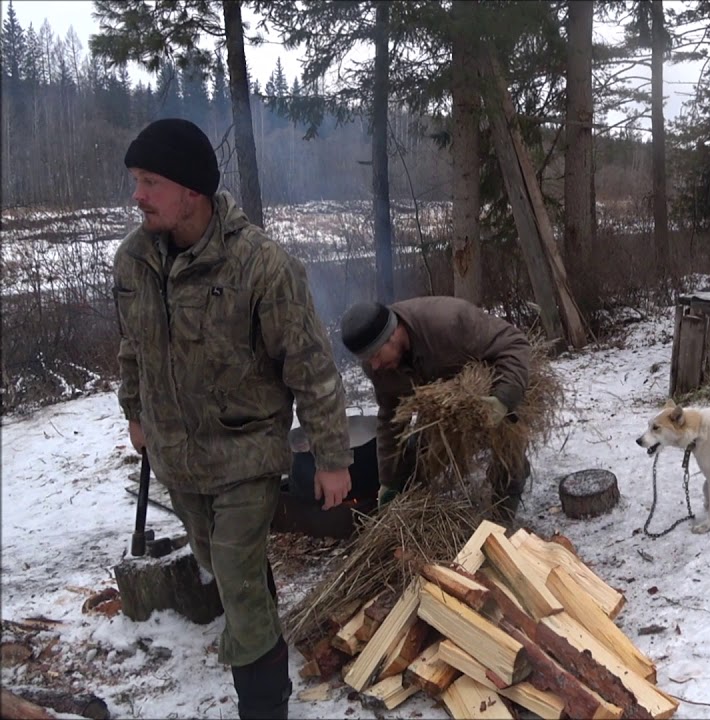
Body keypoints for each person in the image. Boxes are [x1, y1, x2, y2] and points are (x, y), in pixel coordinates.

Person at [112, 117, 353, 720]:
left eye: (149, 182)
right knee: (227, 571)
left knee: (239, 586)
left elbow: (309, 363)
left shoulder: (260, 265)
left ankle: (265, 708)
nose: (136, 195)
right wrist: (134, 410)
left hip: (244, 452)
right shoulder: (134, 259)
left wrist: (331, 457)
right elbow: (132, 346)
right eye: (135, 181)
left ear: (190, 190)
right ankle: (263, 629)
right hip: (176, 456)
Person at [339, 296, 532, 519]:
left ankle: (502, 519)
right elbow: (391, 418)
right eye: (367, 360)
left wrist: (503, 399)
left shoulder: (449, 323)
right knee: (417, 459)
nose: (374, 365)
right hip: (442, 406)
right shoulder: (379, 367)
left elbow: (515, 343)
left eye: (375, 355)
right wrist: (389, 481)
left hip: (490, 390)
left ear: (392, 334)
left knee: (509, 457)